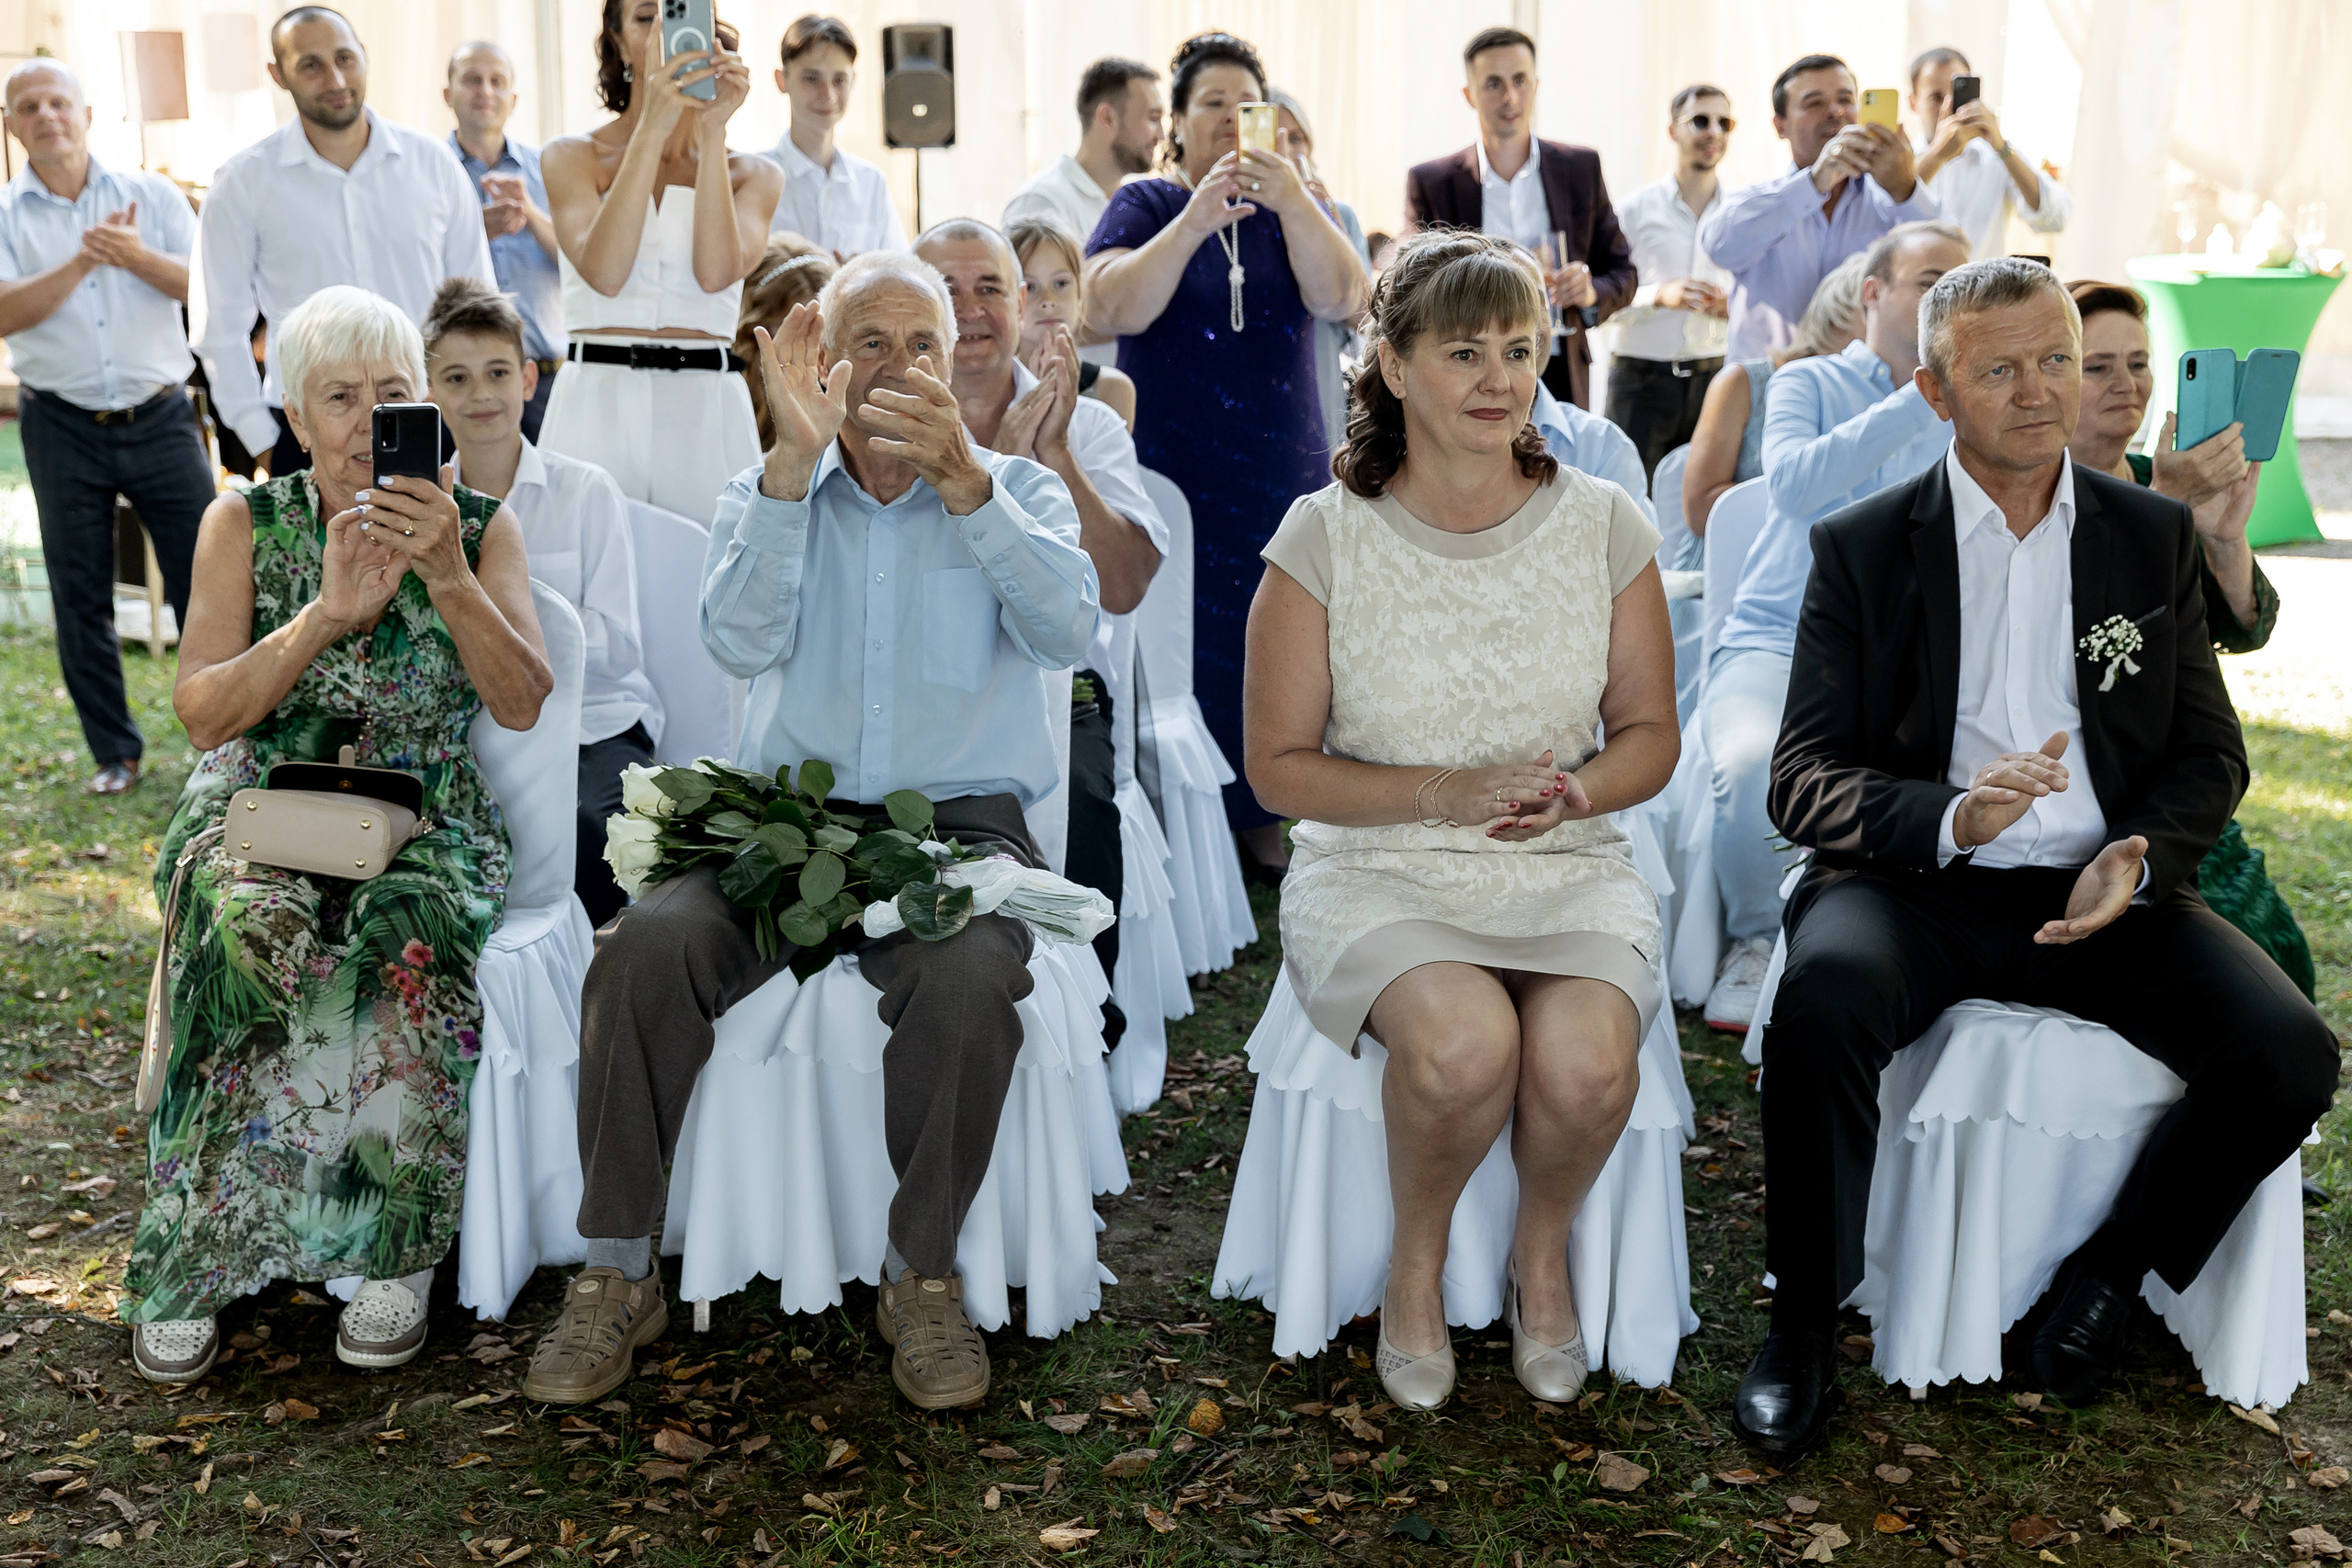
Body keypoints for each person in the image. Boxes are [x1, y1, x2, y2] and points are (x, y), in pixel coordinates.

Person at [1735, 258, 2338, 1450]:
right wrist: (1954, 816)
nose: (2040, 390)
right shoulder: (1863, 547)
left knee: (2289, 1051)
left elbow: (2208, 757)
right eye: (1999, 367)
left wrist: (2140, 858)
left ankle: (2111, 1277)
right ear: (1936, 387)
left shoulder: (2148, 536)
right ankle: (1803, 1320)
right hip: (1918, 885)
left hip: (2103, 892)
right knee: (1823, 998)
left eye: (2056, 358)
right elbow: (1801, 776)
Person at [523, 253, 1099, 1412]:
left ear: (952, 362)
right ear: (821, 364)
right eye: (868, 345)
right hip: (782, 821)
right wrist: (791, 463)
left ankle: (921, 1275)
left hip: (960, 830)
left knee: (970, 975)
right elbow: (735, 644)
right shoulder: (767, 487)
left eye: (919, 346)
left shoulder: (1016, 491)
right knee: (638, 949)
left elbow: (1065, 632)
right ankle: (617, 1270)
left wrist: (965, 490)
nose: (895, 370)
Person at [1244, 231, 1676, 1411]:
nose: (1498, 379)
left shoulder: (1602, 523)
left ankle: (1543, 1256)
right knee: (1462, 1045)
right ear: (1389, 364)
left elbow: (1649, 736)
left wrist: (1580, 792)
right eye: (1464, 351)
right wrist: (1441, 792)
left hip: (1564, 857)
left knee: (1589, 1062)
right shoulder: (1322, 536)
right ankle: (1415, 1271)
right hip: (1379, 866)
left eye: (1521, 351)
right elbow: (1278, 771)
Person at [128, 285, 551, 1385]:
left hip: (425, 806)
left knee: (407, 932)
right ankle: (197, 1257)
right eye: (341, 398)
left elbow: (522, 699)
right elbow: (203, 712)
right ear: (296, 417)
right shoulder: (242, 523)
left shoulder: (482, 528)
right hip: (262, 797)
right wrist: (323, 616)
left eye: (395, 394)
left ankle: (393, 1250)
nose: (370, 421)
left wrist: (449, 575)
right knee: (245, 928)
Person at [1083, 31, 1366, 874]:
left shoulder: (1297, 205)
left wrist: (1295, 203)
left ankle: (1266, 812)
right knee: (1185, 634)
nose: (1230, 119)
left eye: (1248, 104)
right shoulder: (1145, 200)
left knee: (1281, 634)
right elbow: (1106, 309)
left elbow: (1345, 295)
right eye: (1211, 102)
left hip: (1281, 459)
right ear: (1175, 120)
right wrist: (1197, 216)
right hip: (1176, 460)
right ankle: (1188, 816)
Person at [1701, 221, 1967, 1032]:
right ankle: (1752, 941)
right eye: (1931, 281)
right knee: (1750, 769)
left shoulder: (1973, 411)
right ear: (1873, 293)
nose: (1950, 298)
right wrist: (1916, 401)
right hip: (1775, 639)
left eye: (1964, 283)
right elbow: (1790, 486)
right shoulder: (1808, 382)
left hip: (1910, 660)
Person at [916, 218, 1165, 1023]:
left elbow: (1124, 586)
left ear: (1023, 305)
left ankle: (1084, 1024)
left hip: (1065, 688)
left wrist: (1051, 462)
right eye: (945, 291)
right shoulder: (884, 427)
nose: (970, 309)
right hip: (919, 684)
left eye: (989, 286)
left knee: (1084, 801)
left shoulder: (1086, 422)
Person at [2064, 278, 2312, 996]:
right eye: (2097, 364)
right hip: (2087, 775)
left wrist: (2224, 539)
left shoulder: (2157, 477)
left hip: (2182, 775)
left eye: (2139, 362)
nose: (2126, 382)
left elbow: (2247, 626)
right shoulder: (2037, 494)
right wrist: (2161, 506)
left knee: (2275, 948)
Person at [0, 61, 214, 797]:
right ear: (11, 124)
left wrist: (134, 256)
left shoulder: (150, 197)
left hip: (160, 414)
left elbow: (205, 289)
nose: (47, 114)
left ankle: (222, 741)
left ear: (87, 113)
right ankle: (115, 753)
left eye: (60, 101)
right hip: (60, 421)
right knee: (79, 588)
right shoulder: (4, 214)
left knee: (208, 575)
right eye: (29, 105)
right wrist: (83, 260)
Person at [423, 276, 660, 930]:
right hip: (474, 729)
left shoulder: (586, 492)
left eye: (496, 372)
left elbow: (614, 643)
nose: (479, 395)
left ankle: (593, 989)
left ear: (528, 379)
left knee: (595, 829)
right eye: (457, 378)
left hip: (594, 723)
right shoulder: (424, 508)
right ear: (430, 393)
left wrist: (498, 618)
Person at [191, 5, 497, 479]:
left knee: (441, 555)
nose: (334, 78)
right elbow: (219, 328)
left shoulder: (433, 164)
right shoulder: (242, 183)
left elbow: (473, 306)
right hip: (303, 432)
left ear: (364, 56)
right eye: (310, 65)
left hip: (425, 420)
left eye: (344, 58)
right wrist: (263, 441)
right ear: (278, 75)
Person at [538, 0, 780, 527]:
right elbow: (605, 273)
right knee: (589, 581)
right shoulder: (570, 157)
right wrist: (651, 128)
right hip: (596, 401)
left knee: (708, 582)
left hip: (705, 409)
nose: (666, 33)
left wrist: (712, 130)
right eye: (647, 17)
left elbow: (716, 273)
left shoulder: (756, 174)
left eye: (680, 15)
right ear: (619, 44)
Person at [1402, 27, 1634, 411]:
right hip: (1471, 371)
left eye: (1520, 80)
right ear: (1469, 95)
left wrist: (1590, 293)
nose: (1509, 97)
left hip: (1560, 368)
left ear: (1536, 85)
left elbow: (1623, 272)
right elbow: (1413, 286)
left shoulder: (1581, 168)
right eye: (1493, 83)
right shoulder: (1432, 183)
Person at [1700, 53, 1940, 362]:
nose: (1836, 111)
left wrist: (1906, 188)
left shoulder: (1892, 205)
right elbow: (1719, 247)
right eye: (1814, 103)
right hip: (1765, 388)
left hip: (1861, 388)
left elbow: (1951, 263)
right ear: (1780, 126)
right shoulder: (1758, 203)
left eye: (1846, 99)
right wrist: (1814, 183)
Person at [1683, 254, 1866, 538]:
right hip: (1733, 559)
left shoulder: (1882, 397)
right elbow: (1699, 508)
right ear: (1838, 317)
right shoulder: (1742, 383)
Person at [1606, 85, 1736, 475]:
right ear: (1672, 131)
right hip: (1641, 380)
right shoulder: (1632, 211)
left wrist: (1736, 307)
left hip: (1717, 378)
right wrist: (1660, 295)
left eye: (1723, 122)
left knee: (1707, 511)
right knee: (1629, 508)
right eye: (1699, 121)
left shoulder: (1742, 213)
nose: (1713, 131)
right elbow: (1601, 303)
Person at [444, 40, 566, 443]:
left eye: (497, 81)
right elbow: (412, 267)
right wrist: (472, 232)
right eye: (472, 80)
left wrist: (530, 213)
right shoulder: (429, 172)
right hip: (461, 384)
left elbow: (584, 268)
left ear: (513, 99)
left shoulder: (552, 169)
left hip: (547, 381)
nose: (485, 91)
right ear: (449, 95)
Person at [1269, 88, 1374, 453]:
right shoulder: (1236, 219)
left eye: (1297, 138)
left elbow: (1365, 315)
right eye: (1276, 139)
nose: (1290, 151)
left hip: (1320, 379)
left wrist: (1324, 220)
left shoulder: (1339, 215)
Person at [1908, 48, 2069, 261]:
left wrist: (2001, 146)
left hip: (1982, 292)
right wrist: (1937, 153)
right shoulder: (1902, 159)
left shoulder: (1998, 158)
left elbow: (2054, 219)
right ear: (1913, 103)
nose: (1949, 107)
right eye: (1936, 98)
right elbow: (1885, 212)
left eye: (1957, 95)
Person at [765, 15, 903, 257]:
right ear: (781, 79)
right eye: (811, 78)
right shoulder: (757, 178)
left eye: (839, 80)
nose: (827, 94)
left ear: (853, 82)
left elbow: (898, 269)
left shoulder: (872, 183)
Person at [1001, 57, 1163, 252]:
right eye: (1153, 118)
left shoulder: (1135, 203)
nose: (1161, 136)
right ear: (1108, 118)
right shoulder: (1041, 203)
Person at [1008, 216, 1137, 428]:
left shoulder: (1112, 389)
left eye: (1060, 283)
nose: (1048, 301)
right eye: (1030, 287)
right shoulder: (988, 391)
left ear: (1079, 291)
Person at [733, 236, 837, 448]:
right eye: (795, 326)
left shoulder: (842, 386)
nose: (813, 341)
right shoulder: (734, 398)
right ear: (755, 329)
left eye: (821, 325)